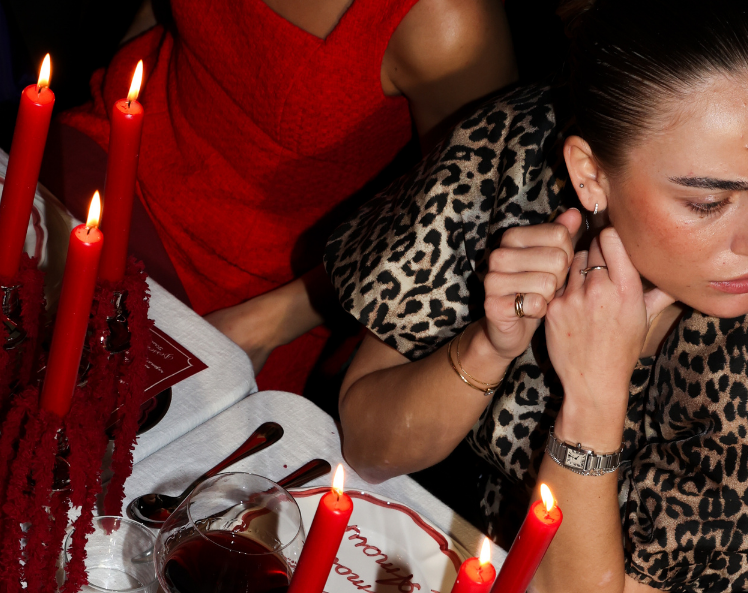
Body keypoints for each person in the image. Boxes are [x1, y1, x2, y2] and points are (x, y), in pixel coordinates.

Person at [327, 0, 748, 593]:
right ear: (588, 174)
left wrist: (592, 396)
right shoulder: (506, 153)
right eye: (708, 203)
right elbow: (367, 442)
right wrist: (489, 344)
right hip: (477, 538)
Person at [48, 0, 517, 394]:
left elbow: (462, 229)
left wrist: (263, 326)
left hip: (257, 295)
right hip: (102, 161)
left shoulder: (448, 21)